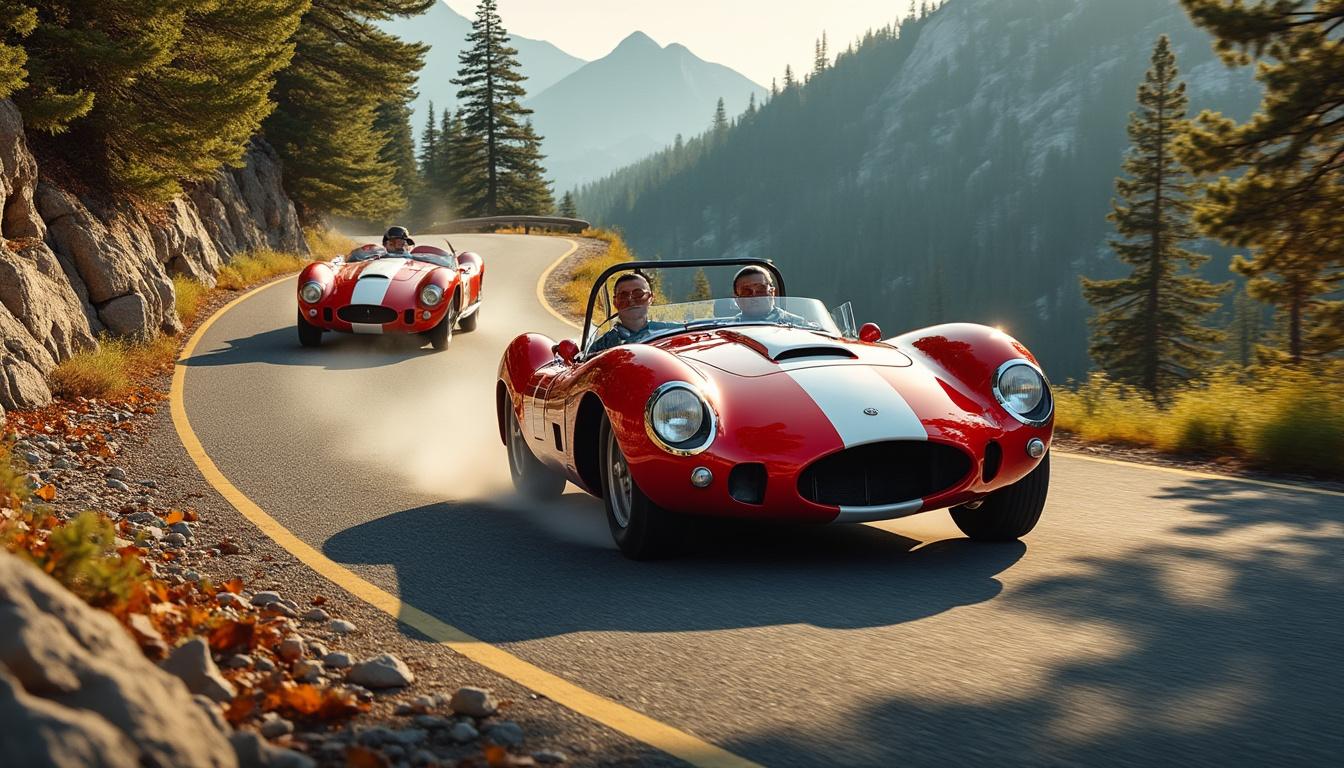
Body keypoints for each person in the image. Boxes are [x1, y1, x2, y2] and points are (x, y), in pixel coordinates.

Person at [587, 273, 678, 354]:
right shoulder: (601, 347)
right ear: (615, 302)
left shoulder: (671, 332)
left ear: (651, 298)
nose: (630, 300)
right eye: (623, 296)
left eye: (638, 294)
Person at [731, 265, 810, 326]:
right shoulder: (729, 330)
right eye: (746, 291)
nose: (754, 296)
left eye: (760, 290)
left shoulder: (797, 324)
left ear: (772, 293)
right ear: (736, 299)